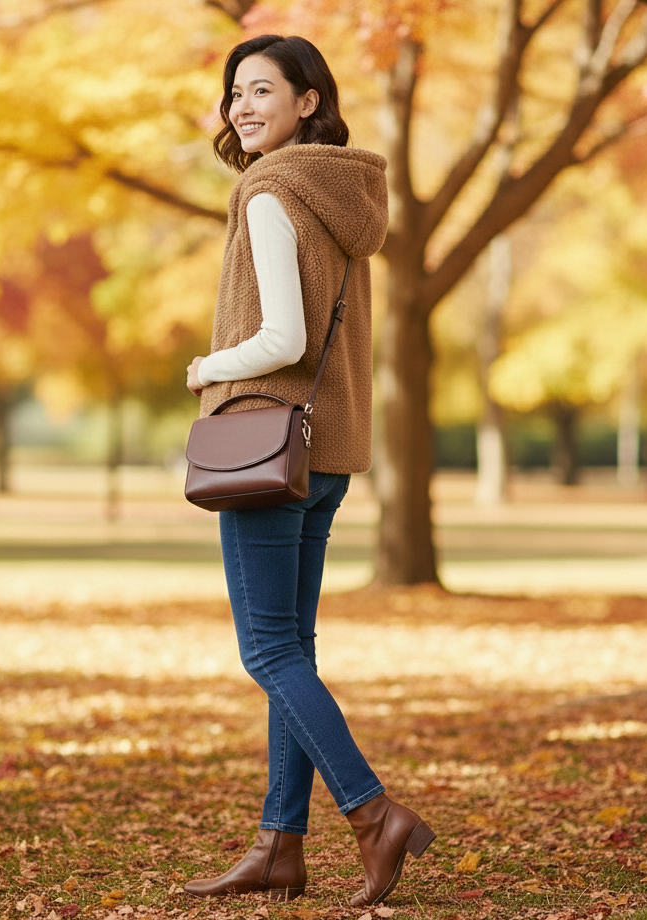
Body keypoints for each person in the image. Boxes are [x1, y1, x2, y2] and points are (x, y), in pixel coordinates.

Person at [183, 34, 435, 907]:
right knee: (294, 648)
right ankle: (278, 847)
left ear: (309, 101)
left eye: (262, 91)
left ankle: (372, 815)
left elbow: (282, 340)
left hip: (264, 443)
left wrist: (209, 367)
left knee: (268, 650)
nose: (242, 107)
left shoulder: (268, 191)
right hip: (325, 451)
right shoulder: (345, 195)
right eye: (234, 93)